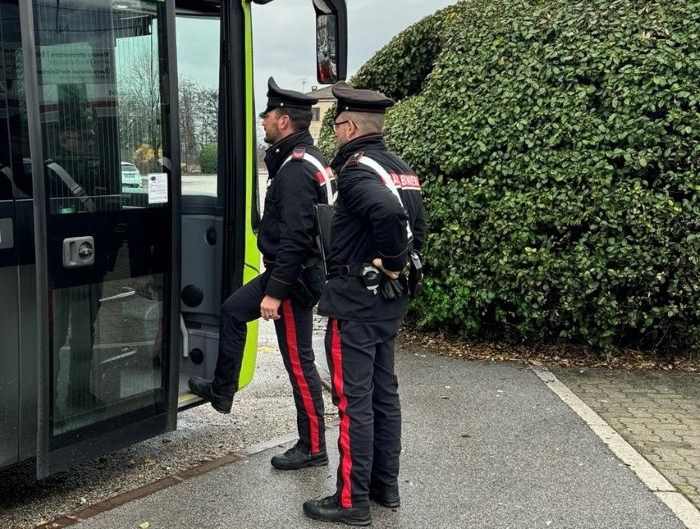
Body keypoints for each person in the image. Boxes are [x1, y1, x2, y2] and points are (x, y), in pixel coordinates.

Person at [189, 77, 334, 470]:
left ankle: (313, 446)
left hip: (291, 278)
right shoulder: (300, 160)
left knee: (299, 363)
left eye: (268, 115)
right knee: (234, 310)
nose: (263, 121)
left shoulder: (295, 171)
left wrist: (275, 292)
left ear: (284, 120)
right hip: (292, 273)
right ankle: (222, 392)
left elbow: (297, 237)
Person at [302, 83, 426, 526]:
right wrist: (399, 267)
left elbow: (390, 218)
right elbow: (414, 223)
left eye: (335, 125)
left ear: (349, 125)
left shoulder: (357, 171)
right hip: (389, 303)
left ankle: (351, 499)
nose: (333, 133)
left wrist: (390, 261)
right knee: (383, 394)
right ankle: (383, 486)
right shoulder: (400, 168)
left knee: (354, 401)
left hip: (356, 301)